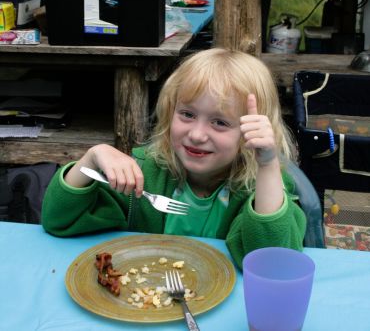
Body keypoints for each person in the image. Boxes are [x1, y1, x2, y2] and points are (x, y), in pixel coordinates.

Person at [41, 48, 306, 269]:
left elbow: (272, 264)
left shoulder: (261, 190)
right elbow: (57, 221)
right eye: (187, 115)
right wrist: (91, 158)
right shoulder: (145, 174)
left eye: (220, 122)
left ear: (251, 132)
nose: (197, 134)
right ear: (170, 113)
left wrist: (268, 166)